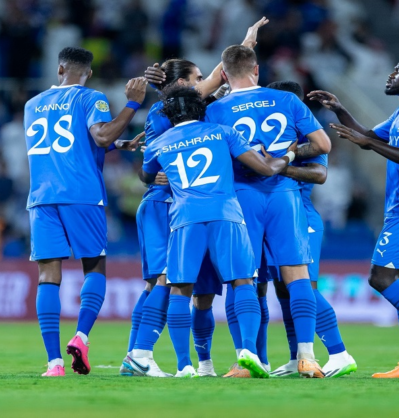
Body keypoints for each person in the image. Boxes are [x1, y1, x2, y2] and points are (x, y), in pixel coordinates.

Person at [121, 17, 269, 378]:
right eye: (196, 77)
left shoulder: (168, 124)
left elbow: (146, 167)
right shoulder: (172, 114)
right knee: (164, 282)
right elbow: (224, 75)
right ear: (183, 85)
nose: (204, 82)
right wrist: (246, 44)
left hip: (182, 205)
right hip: (166, 203)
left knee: (186, 288)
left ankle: (188, 363)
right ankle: (140, 354)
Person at [308, 56, 399, 378]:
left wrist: (369, 144)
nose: (391, 74)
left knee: (380, 278)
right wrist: (340, 109)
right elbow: (372, 135)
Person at [138, 84, 295, 378]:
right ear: (201, 108)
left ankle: (184, 365)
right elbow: (264, 169)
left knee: (180, 290)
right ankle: (248, 351)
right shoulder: (223, 132)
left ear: (169, 113)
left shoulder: (160, 143)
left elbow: (146, 175)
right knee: (243, 282)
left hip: (185, 219)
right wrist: (288, 156)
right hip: (227, 215)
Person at [205, 45, 332, 378]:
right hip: (284, 195)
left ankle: (247, 360)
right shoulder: (288, 101)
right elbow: (323, 146)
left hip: (242, 195)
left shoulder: (216, 110)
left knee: (242, 278)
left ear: (223, 75)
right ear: (257, 70)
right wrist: (285, 158)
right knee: (297, 276)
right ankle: (307, 357)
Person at [25, 47, 146, 377]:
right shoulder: (93, 98)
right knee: (94, 267)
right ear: (88, 73)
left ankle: (53, 363)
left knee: (48, 276)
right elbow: (101, 133)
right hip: (81, 193)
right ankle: (81, 337)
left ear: (59, 68)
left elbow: (71, 139)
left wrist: (118, 145)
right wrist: (133, 103)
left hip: (41, 196)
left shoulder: (31, 105)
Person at [265, 81, 357, 379]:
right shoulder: (277, 134)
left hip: (302, 217)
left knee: (305, 287)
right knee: (284, 290)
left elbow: (320, 174)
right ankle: (296, 357)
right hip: (279, 217)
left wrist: (280, 166)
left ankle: (339, 353)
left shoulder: (308, 134)